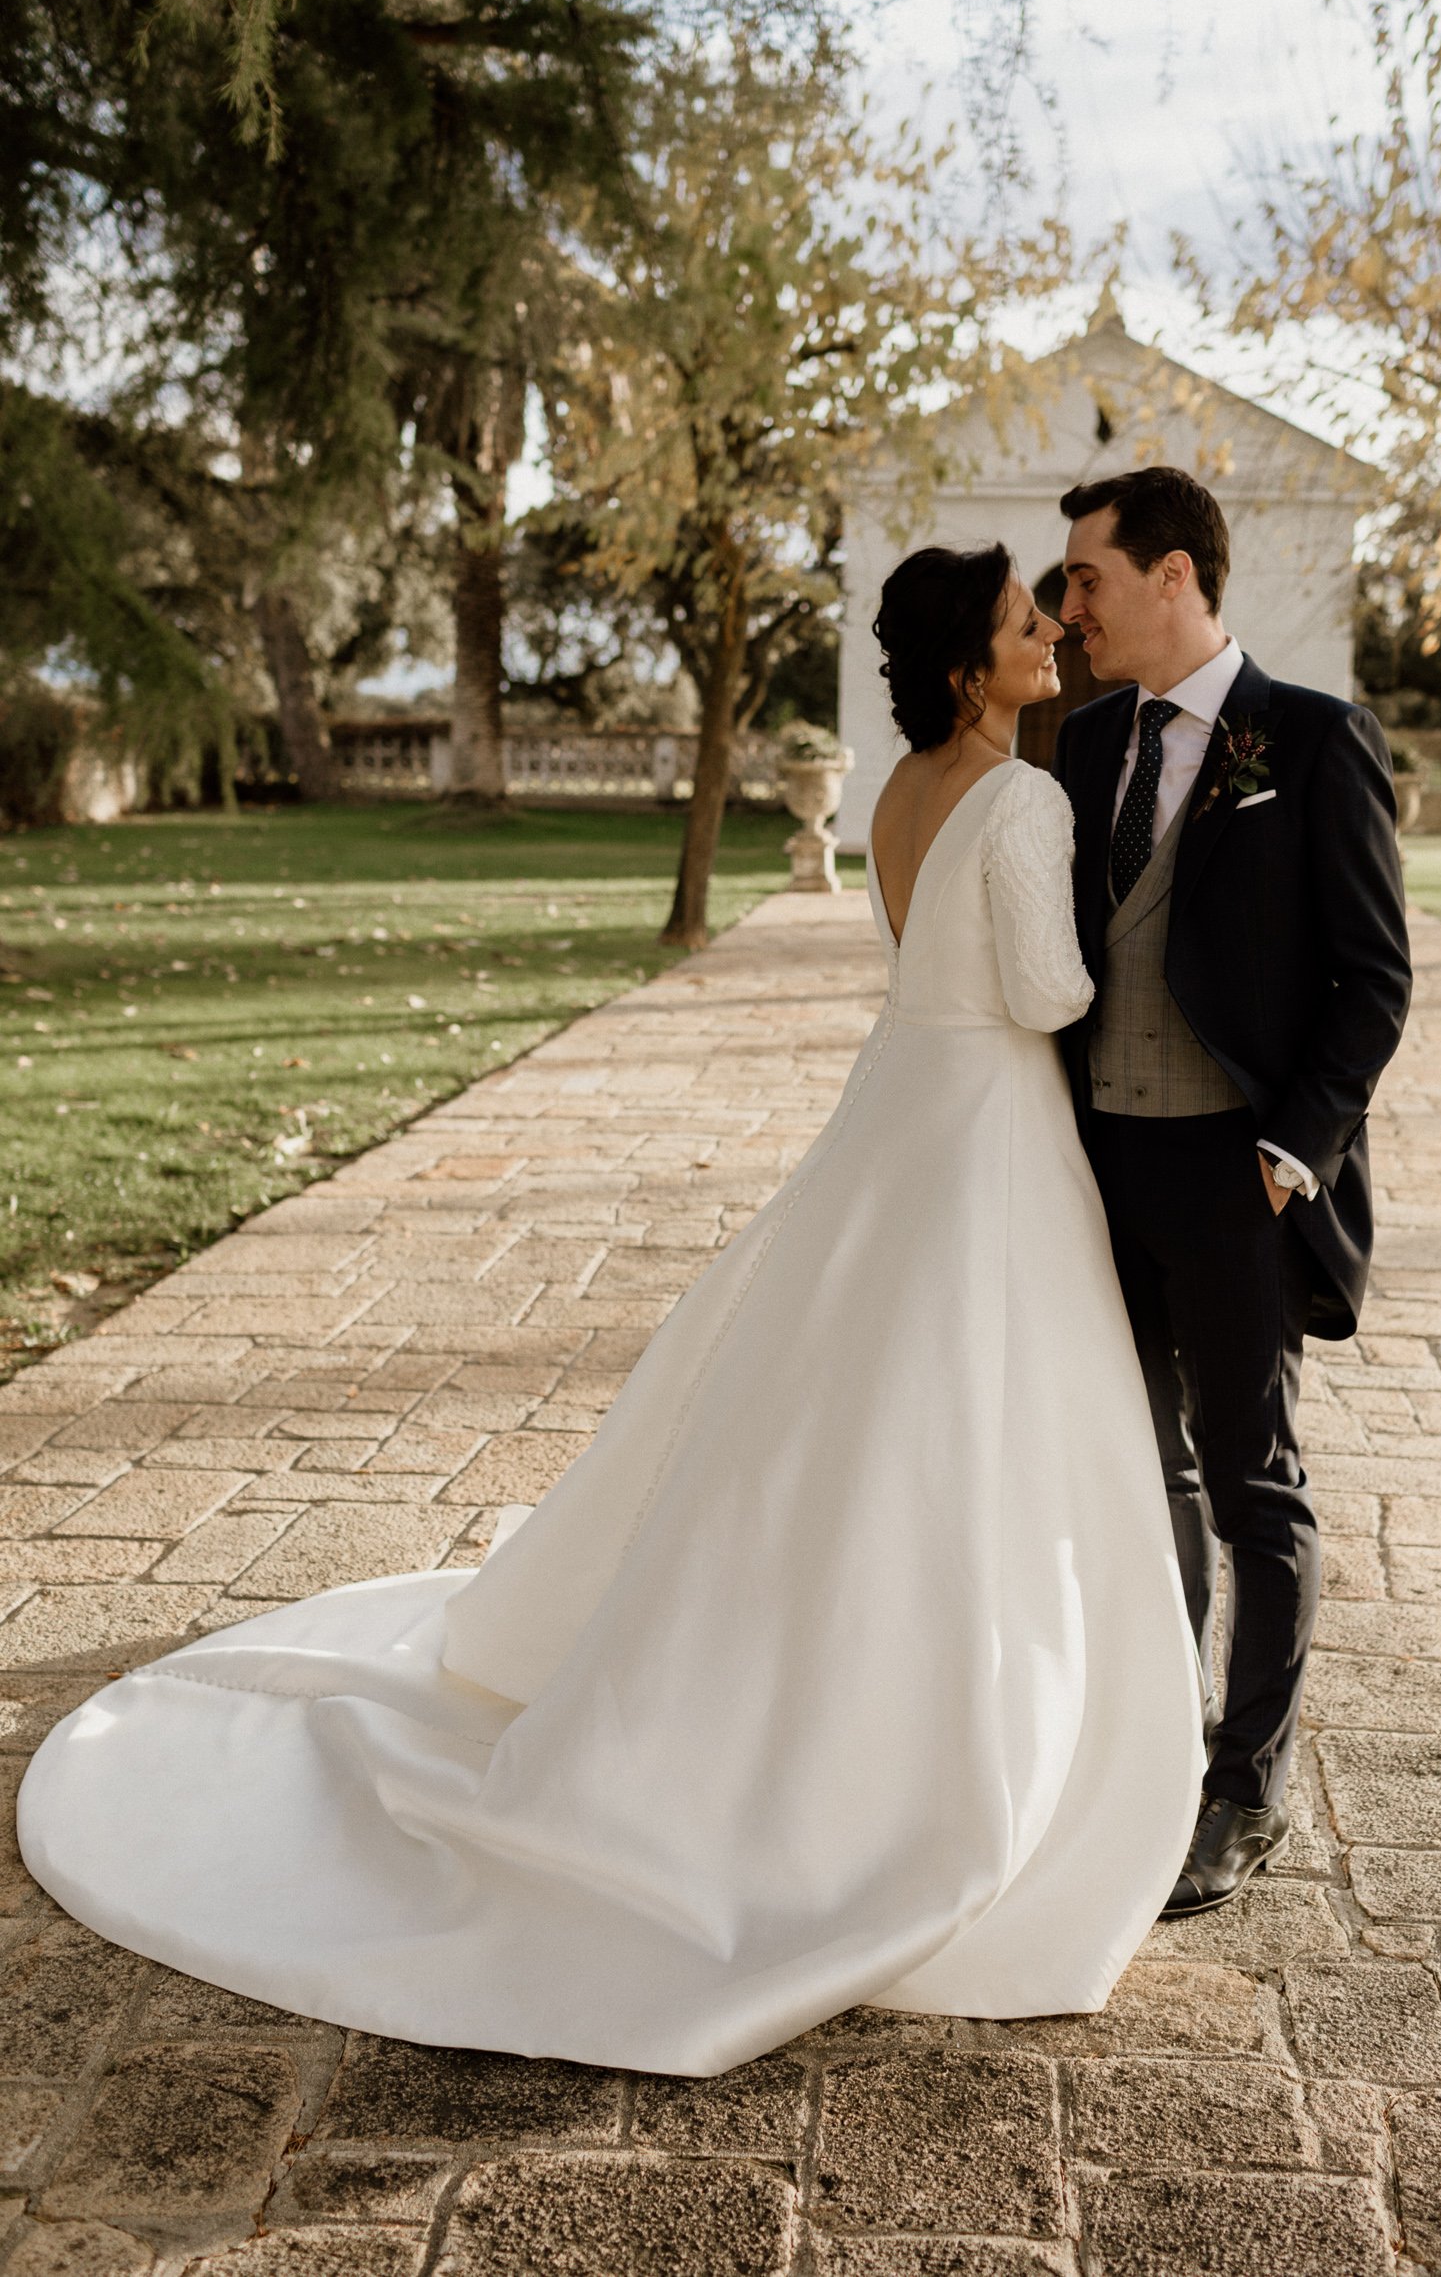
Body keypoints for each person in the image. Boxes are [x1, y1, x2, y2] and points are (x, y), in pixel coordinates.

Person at [19, 543, 1202, 2078]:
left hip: (895, 1113)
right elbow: (1043, 992)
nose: (1050, 628)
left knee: (837, 1400)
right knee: (959, 1419)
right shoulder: (1026, 797)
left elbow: (927, 957)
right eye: (1021, 622)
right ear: (973, 666)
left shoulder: (904, 791)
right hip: (985, 1130)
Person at [1050, 465, 1413, 1918]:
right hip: (1097, 1169)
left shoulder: (1311, 741)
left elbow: (1373, 983)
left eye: (1086, 577)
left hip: (1237, 1173)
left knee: (1256, 1483)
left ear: (1175, 577)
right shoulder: (1079, 749)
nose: (1068, 605)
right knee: (1149, 1476)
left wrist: (1290, 1153)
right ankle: (1154, 1740)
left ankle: (1245, 1787)